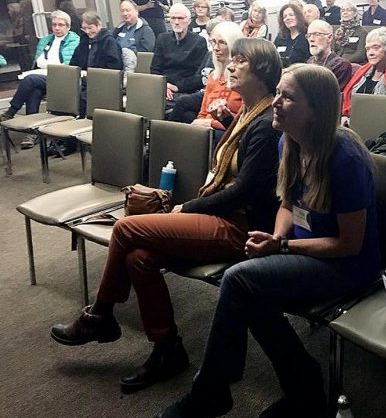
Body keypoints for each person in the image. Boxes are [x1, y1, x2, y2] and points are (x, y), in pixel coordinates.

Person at [153, 63, 380, 418]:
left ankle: (212, 390)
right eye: (277, 92)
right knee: (249, 293)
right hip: (306, 249)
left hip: (347, 266)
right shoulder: (287, 141)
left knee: (240, 280)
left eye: (287, 97)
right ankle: (304, 387)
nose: (275, 102)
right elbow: (288, 206)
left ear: (317, 109)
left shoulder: (345, 158)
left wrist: (283, 246)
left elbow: (349, 244)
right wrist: (275, 242)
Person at [50, 37, 284, 394]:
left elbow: (245, 191)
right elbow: (234, 171)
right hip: (224, 214)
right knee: (139, 258)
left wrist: (188, 207)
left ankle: (99, 315)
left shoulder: (266, 123)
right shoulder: (248, 114)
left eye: (240, 61)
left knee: (127, 228)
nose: (231, 65)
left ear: (263, 71)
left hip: (242, 228)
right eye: (232, 59)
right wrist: (227, 120)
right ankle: (167, 349)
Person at [170, 21, 244, 143]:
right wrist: (201, 124)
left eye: (222, 43)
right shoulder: (213, 77)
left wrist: (210, 123)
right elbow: (203, 113)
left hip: (227, 131)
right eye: (213, 42)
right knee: (186, 115)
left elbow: (242, 123)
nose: (215, 48)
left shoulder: (243, 80)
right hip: (208, 129)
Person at [0, 10, 79, 123]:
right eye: (54, 24)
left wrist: (47, 64)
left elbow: (62, 65)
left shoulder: (74, 41)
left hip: (63, 79)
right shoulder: (46, 40)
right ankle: (32, 130)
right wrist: (48, 64)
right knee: (35, 91)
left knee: (30, 80)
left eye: (61, 25)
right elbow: (39, 61)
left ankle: (11, 112)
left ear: (68, 27)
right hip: (45, 76)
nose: (57, 28)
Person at [150, 3, 208, 103]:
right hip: (163, 87)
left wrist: (177, 87)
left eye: (181, 18)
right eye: (173, 18)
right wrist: (164, 85)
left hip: (186, 90)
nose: (177, 22)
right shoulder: (162, 39)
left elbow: (199, 76)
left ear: (189, 21)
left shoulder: (198, 42)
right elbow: (155, 68)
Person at [70, 12, 123, 118]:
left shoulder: (109, 41)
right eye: (84, 28)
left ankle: (84, 121)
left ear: (98, 25)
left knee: (81, 95)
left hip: (103, 80)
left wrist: (93, 75)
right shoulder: (84, 40)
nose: (87, 31)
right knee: (68, 90)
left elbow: (115, 67)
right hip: (84, 79)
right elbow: (74, 61)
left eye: (90, 28)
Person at [306, 19, 352, 90]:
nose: (311, 39)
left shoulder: (342, 65)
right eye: (309, 35)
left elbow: (332, 95)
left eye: (317, 34)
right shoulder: (310, 61)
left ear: (329, 38)